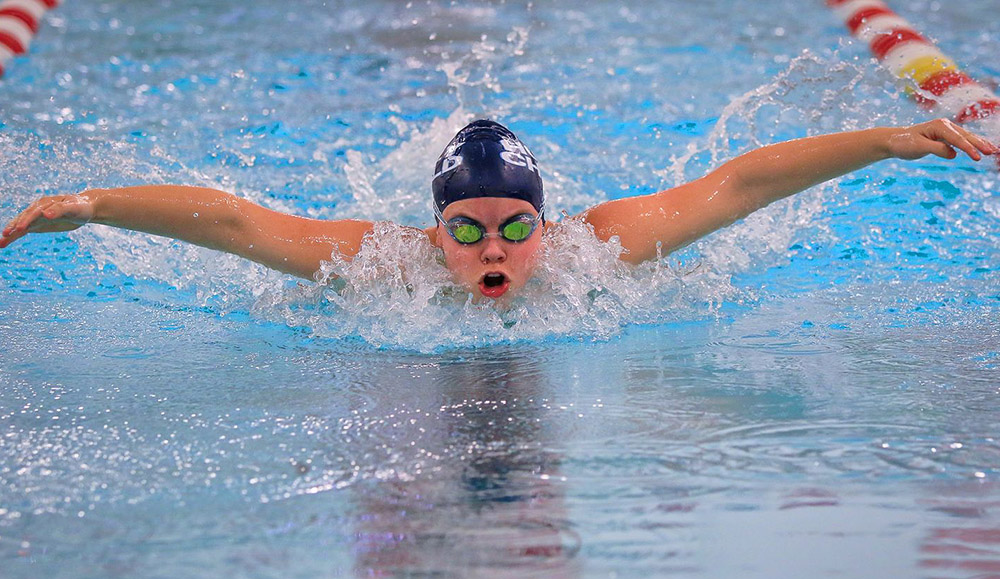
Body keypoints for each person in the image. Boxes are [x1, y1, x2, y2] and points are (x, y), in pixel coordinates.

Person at [1, 118, 994, 302]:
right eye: (466, 228)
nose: (492, 246)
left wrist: (882, 143)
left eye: (515, 227)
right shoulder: (380, 263)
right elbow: (233, 222)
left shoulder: (592, 251)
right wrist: (93, 207)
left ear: (544, 225)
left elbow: (739, 186)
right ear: (431, 229)